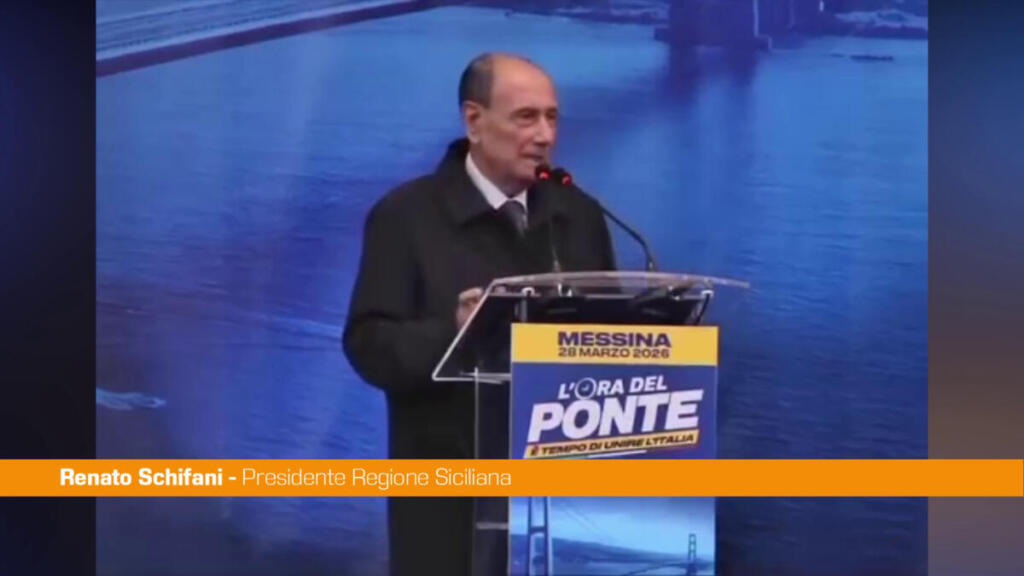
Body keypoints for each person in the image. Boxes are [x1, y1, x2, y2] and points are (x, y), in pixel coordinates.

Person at [343, 52, 615, 576]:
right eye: (526, 118)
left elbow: (609, 337)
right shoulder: (406, 217)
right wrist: (453, 332)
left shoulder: (579, 215)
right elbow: (368, 345)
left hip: (566, 504)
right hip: (450, 511)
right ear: (474, 120)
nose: (545, 136)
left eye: (552, 118)